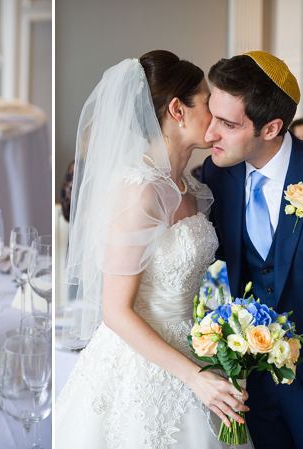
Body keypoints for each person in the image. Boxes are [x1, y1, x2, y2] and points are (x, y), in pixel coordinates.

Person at [56, 51, 251, 449]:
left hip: (195, 348)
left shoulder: (195, 190)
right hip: (138, 363)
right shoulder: (141, 192)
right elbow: (115, 312)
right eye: (208, 106)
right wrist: (193, 377)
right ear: (177, 109)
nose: (215, 119)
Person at [202, 51, 303, 449]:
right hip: (256, 392)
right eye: (211, 115)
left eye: (227, 124)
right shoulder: (216, 175)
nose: (209, 134)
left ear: (271, 128)